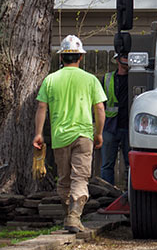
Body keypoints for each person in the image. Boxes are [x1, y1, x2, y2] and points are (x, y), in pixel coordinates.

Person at [33, 35, 106, 233]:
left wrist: (38, 134)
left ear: (61, 58)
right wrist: (98, 133)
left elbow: (41, 107)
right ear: (80, 57)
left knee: (64, 179)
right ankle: (74, 217)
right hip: (83, 135)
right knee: (80, 178)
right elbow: (100, 108)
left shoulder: (50, 80)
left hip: (59, 137)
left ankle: (70, 216)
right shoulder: (90, 79)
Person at [100, 52, 130, 186]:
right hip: (110, 127)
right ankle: (106, 195)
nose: (127, 59)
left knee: (131, 165)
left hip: (129, 128)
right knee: (107, 165)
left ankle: (130, 196)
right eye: (124, 57)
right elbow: (99, 104)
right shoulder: (107, 78)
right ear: (117, 60)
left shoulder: (137, 78)